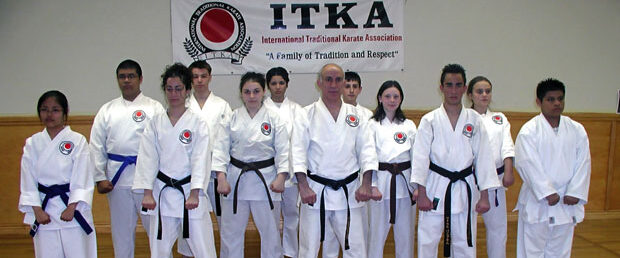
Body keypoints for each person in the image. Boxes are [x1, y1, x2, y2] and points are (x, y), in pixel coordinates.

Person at [410, 64, 500, 258]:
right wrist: (421, 192)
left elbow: (484, 158)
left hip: (465, 189)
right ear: (441, 87)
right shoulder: (430, 120)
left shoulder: (474, 119)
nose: (453, 90)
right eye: (448, 85)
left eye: (458, 85)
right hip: (435, 187)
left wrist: (484, 195)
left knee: (465, 242)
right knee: (427, 241)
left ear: (464, 88)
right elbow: (420, 157)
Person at [292, 63, 379, 258]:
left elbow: (367, 151)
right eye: (328, 79)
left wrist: (366, 184)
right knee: (308, 250)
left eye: (338, 80)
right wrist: (303, 187)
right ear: (319, 83)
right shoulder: (306, 114)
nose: (333, 84)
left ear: (343, 84)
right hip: (315, 192)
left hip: (349, 192)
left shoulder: (357, 116)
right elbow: (297, 152)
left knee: (355, 250)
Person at [132, 63, 216, 258]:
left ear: (187, 90)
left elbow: (201, 159)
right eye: (169, 89)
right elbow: (147, 158)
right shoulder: (155, 123)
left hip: (189, 193)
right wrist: (147, 193)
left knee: (204, 249)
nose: (173, 93)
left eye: (178, 88)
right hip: (162, 194)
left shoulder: (197, 123)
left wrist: (195, 193)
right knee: (159, 250)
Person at [90, 59, 164, 258]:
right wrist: (99, 177)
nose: (126, 80)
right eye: (122, 77)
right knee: (121, 233)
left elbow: (164, 144)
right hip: (117, 179)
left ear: (140, 79)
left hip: (148, 178)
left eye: (131, 76)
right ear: (117, 80)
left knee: (156, 231)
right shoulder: (107, 110)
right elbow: (96, 145)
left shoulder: (154, 108)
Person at [213, 72, 289, 258]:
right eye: (247, 92)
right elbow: (220, 149)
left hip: (267, 180)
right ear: (241, 94)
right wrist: (221, 178)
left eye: (256, 91)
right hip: (235, 180)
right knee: (230, 233)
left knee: (271, 233)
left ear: (264, 92)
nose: (252, 96)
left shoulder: (274, 118)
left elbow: (284, 150)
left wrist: (281, 177)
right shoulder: (231, 118)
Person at [514, 78, 591, 258]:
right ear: (539, 102)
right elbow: (527, 163)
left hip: (566, 201)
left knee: (561, 251)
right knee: (532, 251)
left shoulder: (577, 129)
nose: (557, 103)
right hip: (539, 201)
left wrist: (576, 191)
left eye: (560, 98)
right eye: (550, 99)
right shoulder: (529, 131)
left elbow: (584, 163)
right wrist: (546, 191)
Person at [19, 90, 97, 258]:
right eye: (44, 109)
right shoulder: (33, 143)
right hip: (44, 209)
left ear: (64, 113)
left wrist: (72, 206)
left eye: (55, 110)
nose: (49, 114)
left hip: (72, 210)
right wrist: (36, 210)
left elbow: (82, 177)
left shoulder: (77, 140)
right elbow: (27, 179)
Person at [177, 60, 232, 258]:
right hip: (188, 173)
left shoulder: (222, 105)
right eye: (195, 76)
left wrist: (221, 171)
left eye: (203, 76)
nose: (199, 80)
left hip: (215, 170)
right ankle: (187, 254)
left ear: (210, 77)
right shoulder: (183, 105)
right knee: (189, 216)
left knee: (224, 220)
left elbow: (226, 141)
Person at [366, 81, 417, 258]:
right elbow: (368, 157)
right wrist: (371, 185)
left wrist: (417, 186)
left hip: (405, 183)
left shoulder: (409, 125)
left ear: (401, 99)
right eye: (387, 96)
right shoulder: (371, 125)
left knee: (405, 235)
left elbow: (416, 157)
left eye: (396, 96)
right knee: (376, 235)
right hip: (380, 183)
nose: (392, 100)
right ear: (380, 98)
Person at [467, 76, 515, 258]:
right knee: (466, 228)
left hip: (496, 180)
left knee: (498, 228)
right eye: (479, 91)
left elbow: (507, 146)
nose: (484, 94)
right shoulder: (464, 118)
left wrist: (509, 171)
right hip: (470, 180)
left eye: (488, 91)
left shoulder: (499, 118)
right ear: (470, 94)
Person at [264, 67, 305, 258]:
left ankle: (291, 252)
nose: (278, 87)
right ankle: (273, 253)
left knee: (292, 215)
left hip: (290, 170)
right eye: (273, 83)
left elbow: (300, 142)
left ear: (287, 84)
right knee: (271, 217)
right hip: (267, 171)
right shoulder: (261, 109)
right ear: (268, 86)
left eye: (281, 83)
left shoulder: (297, 110)